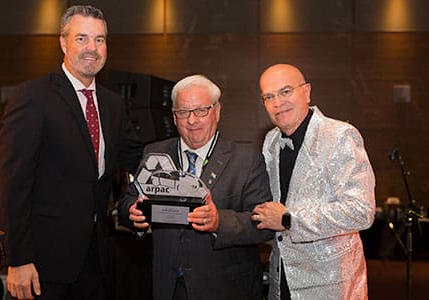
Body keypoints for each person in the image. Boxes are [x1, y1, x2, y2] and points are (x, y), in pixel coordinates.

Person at [0, 5, 142, 300]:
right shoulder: (33, 97)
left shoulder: (113, 104)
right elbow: (12, 183)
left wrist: (188, 161)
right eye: (82, 38)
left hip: (96, 260)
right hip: (41, 265)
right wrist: (18, 258)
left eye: (100, 40)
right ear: (63, 43)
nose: (92, 48)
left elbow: (136, 158)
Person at [118, 74, 274, 300]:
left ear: (217, 111)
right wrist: (132, 215)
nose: (192, 120)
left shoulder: (246, 160)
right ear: (173, 117)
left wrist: (219, 221)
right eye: (183, 112)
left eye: (201, 110)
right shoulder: (155, 153)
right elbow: (126, 204)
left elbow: (263, 224)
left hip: (225, 289)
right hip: (168, 287)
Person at [252, 64, 376, 299]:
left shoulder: (340, 135)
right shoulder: (270, 140)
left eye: (285, 92)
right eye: (269, 97)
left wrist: (289, 219)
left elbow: (362, 211)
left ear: (307, 91)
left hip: (330, 283)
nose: (277, 103)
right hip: (282, 279)